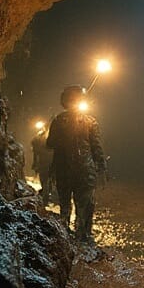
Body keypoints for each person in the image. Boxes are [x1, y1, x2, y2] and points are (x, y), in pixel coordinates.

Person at [46, 85, 107, 243]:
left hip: (74, 170)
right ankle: (76, 238)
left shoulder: (62, 120)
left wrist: (101, 167)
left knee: (75, 206)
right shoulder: (82, 121)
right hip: (78, 170)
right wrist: (101, 168)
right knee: (77, 206)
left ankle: (74, 237)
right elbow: (96, 148)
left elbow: (96, 147)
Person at [30, 120, 54, 205]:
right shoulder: (54, 136)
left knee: (45, 181)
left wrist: (35, 163)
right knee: (48, 181)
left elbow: (35, 150)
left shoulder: (39, 137)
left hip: (45, 162)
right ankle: (47, 197)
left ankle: (46, 198)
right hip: (50, 162)